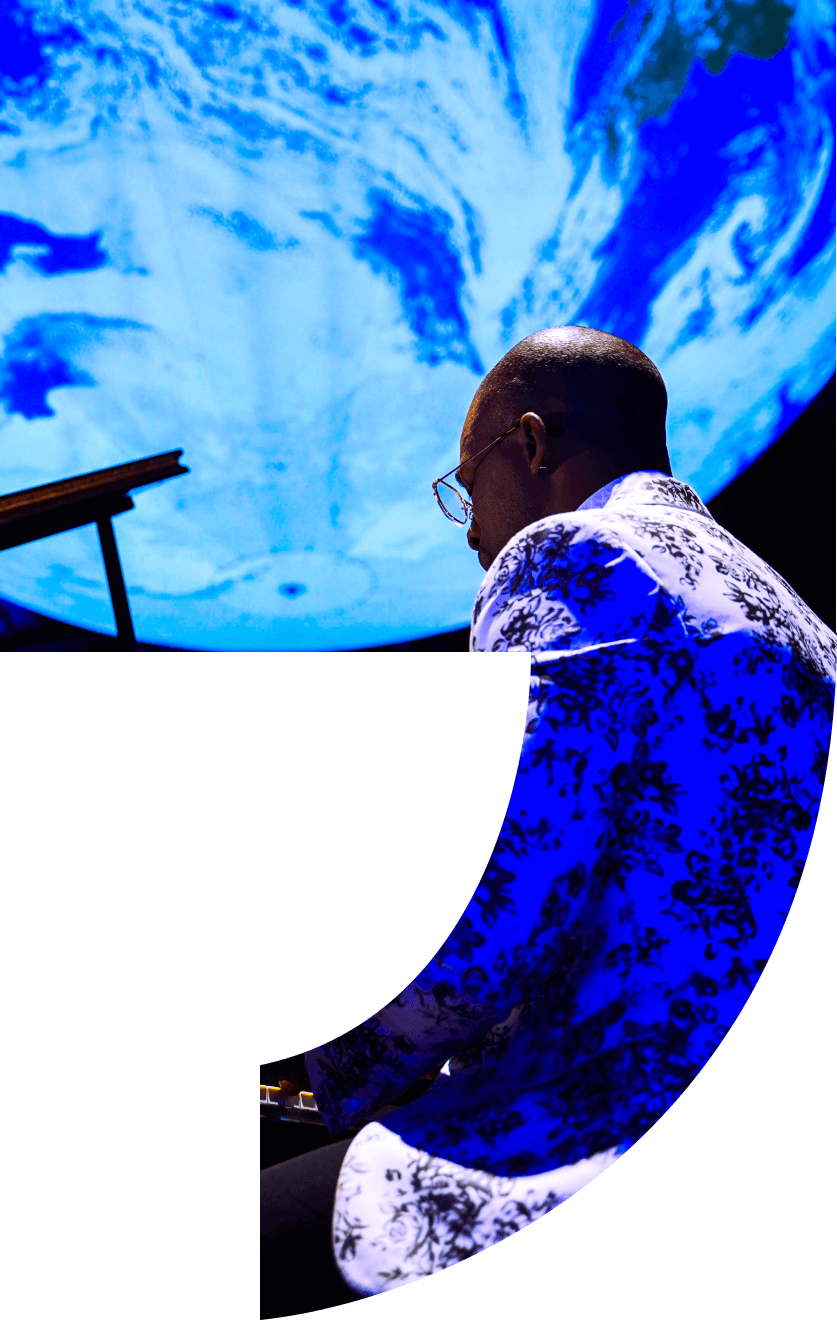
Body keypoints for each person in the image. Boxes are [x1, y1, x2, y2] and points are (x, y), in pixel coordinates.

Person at [259, 327, 836, 1317]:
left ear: (527, 444)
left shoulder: (567, 554)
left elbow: (505, 896)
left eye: (465, 480)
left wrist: (313, 1063)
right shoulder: (792, 613)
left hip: (588, 1121)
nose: (470, 527)